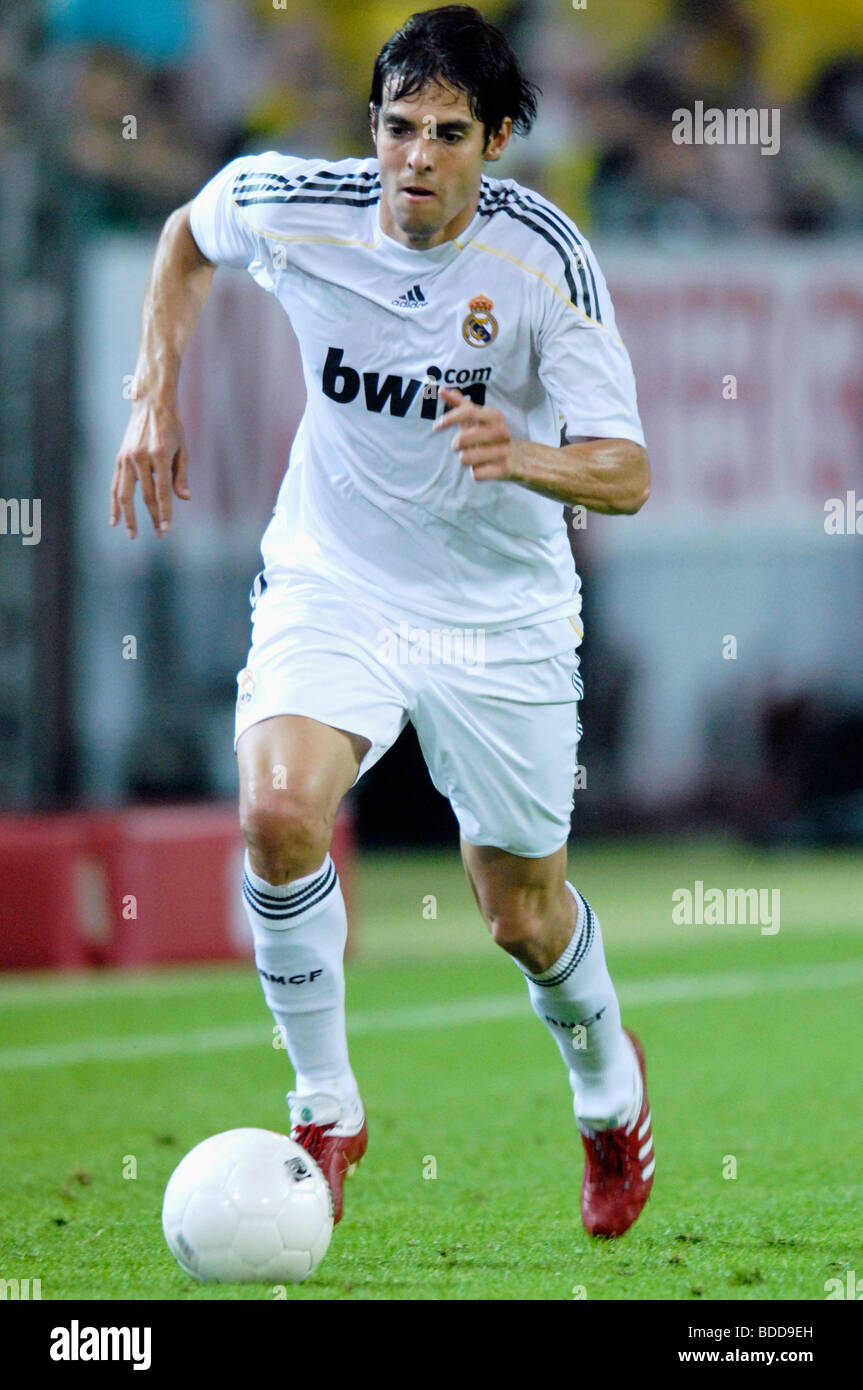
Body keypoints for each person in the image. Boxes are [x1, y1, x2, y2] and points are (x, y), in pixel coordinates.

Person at [111, 4, 653, 1239]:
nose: (414, 158)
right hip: (335, 578)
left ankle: (605, 1089)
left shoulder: (542, 262)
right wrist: (153, 394)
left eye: (448, 134)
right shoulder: (294, 201)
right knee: (277, 810)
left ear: (499, 138)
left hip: (499, 612)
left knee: (519, 913)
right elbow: (184, 240)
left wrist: (521, 455)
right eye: (396, 128)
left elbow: (624, 472)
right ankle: (323, 1107)